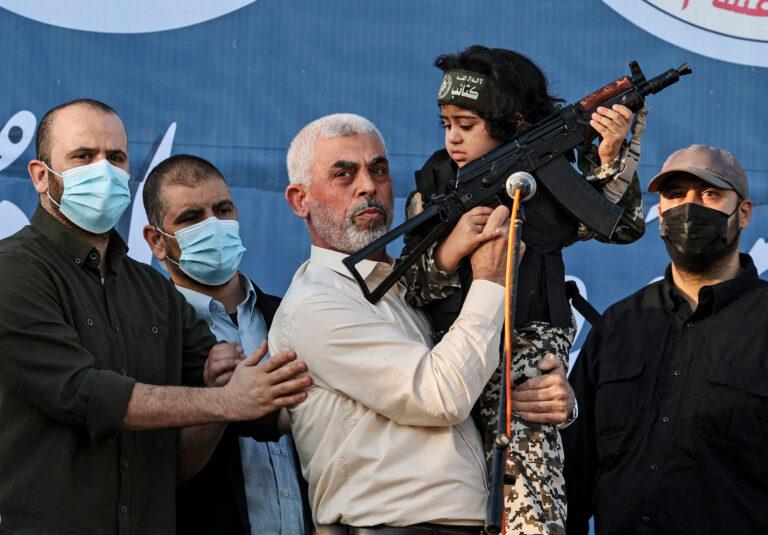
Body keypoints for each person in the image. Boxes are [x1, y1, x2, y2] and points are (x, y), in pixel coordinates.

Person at [0, 99, 311, 533]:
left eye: (117, 157)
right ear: (39, 175)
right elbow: (82, 393)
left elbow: (247, 396)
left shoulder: (153, 290)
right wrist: (224, 399)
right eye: (84, 157)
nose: (104, 170)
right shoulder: (13, 270)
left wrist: (237, 384)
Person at [400, 45, 646, 534]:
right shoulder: (436, 183)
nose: (452, 138)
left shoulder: (547, 177)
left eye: (466, 126)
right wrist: (451, 250)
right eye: (446, 123)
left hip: (528, 352)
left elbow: (617, 225)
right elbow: (409, 283)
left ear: (510, 120)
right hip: (450, 353)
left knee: (531, 498)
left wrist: (612, 158)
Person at [269, 112, 511, 532]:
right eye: (344, 174)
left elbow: (479, 383)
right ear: (299, 200)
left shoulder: (414, 282)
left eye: (377, 169)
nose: (368, 186)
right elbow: (441, 395)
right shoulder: (315, 305)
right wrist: (490, 281)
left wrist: (552, 396)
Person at [562, 144, 767, 534]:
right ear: (660, 213)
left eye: (710, 194)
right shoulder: (619, 325)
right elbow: (574, 469)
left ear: (743, 213)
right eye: (675, 195)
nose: (690, 208)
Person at [142, 154, 311, 535]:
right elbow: (151, 473)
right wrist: (216, 401)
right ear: (157, 241)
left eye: (222, 210)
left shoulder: (293, 316)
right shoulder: (147, 334)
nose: (213, 226)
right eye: (191, 218)